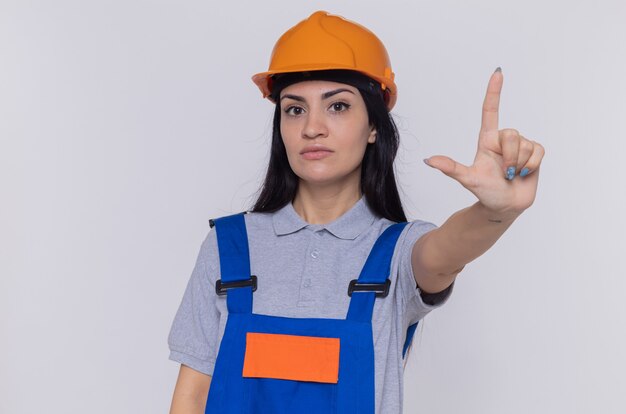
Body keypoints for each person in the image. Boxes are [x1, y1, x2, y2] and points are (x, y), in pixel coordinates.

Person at [167, 10, 545, 414]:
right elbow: (192, 398)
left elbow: (448, 249)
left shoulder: (398, 254)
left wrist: (497, 212)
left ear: (373, 127)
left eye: (338, 107)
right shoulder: (227, 246)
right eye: (295, 109)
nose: (312, 127)